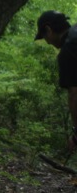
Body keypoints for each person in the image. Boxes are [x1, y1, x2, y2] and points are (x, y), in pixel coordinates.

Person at [34, 10, 77, 151]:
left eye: (44, 36)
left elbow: (74, 95)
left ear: (49, 30)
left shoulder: (68, 50)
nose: (47, 42)